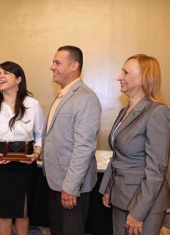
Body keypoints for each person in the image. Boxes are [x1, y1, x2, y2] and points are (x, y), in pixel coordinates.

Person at [99, 54, 170, 235]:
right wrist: (108, 189)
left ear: (143, 78)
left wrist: (138, 212)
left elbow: (156, 169)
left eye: (125, 72)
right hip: (120, 197)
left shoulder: (157, 112)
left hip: (144, 204)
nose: (119, 77)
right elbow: (117, 155)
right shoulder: (125, 111)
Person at [0, 61, 45, 235]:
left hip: (25, 163)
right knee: (3, 213)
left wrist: (36, 153)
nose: (0, 76)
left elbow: (41, 135)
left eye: (6, 73)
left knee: (23, 212)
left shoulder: (32, 105)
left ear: (18, 79)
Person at [43, 45, 102, 235]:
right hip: (55, 180)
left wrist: (70, 188)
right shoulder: (63, 95)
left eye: (57, 62)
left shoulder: (86, 98)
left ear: (74, 65)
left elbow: (84, 148)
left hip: (71, 186)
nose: (52, 67)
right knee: (58, 230)